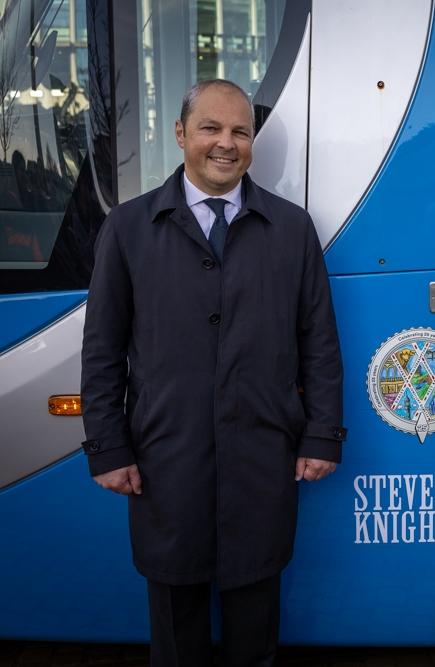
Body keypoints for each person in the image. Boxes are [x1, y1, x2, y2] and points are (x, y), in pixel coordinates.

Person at [80, 79, 346, 667]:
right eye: (211, 128)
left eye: (240, 132)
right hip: (163, 461)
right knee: (176, 632)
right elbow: (102, 350)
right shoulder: (126, 229)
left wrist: (323, 433)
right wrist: (107, 447)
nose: (226, 144)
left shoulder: (292, 229)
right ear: (181, 134)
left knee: (256, 629)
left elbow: (319, 345)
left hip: (263, 459)